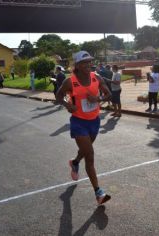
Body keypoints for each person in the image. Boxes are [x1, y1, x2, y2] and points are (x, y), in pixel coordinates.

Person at [56, 51, 112, 205]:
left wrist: (98, 98)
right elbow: (58, 95)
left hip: (94, 121)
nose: (88, 65)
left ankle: (74, 162)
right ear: (77, 65)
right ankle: (98, 192)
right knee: (90, 154)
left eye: (90, 62)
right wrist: (68, 105)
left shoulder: (97, 77)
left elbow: (109, 95)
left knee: (85, 151)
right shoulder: (70, 81)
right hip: (78, 122)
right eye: (84, 62)